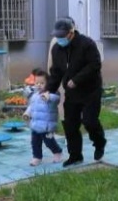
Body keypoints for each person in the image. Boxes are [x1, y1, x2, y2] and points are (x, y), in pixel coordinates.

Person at [47, 18, 106, 167]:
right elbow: (56, 73)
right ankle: (75, 156)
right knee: (70, 124)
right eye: (57, 35)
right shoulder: (57, 49)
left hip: (90, 90)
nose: (59, 39)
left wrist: (77, 79)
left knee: (89, 121)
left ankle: (99, 142)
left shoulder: (87, 44)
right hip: (72, 92)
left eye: (62, 35)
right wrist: (48, 91)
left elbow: (95, 65)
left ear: (71, 32)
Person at [23, 70, 64, 166]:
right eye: (37, 83)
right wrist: (27, 113)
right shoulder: (34, 96)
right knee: (35, 143)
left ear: (48, 83)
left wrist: (49, 97)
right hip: (35, 125)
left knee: (49, 142)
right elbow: (31, 107)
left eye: (42, 83)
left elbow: (56, 99)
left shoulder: (51, 94)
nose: (39, 85)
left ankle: (57, 152)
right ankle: (37, 157)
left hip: (46, 126)